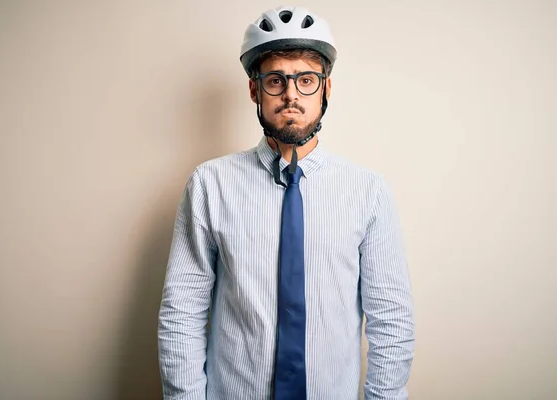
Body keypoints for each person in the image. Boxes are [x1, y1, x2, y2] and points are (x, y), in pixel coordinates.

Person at [158, 5, 415, 400]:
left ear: (326, 88)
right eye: (276, 80)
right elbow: (182, 315)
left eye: (306, 79)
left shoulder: (368, 192)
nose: (292, 94)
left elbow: (392, 323)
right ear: (254, 89)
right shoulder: (210, 185)